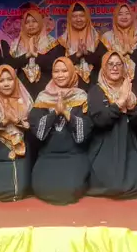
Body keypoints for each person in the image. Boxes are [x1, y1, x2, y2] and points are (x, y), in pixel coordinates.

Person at [87, 51, 137, 199]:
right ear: (104, 68)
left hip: (127, 143)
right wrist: (119, 103)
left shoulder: (129, 89)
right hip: (105, 144)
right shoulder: (96, 91)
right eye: (110, 64)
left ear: (124, 67)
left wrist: (131, 108)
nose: (114, 68)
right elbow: (100, 120)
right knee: (114, 186)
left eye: (118, 64)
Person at [29, 57, 94, 205]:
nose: (60, 75)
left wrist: (66, 112)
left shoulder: (81, 97)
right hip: (48, 155)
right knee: (42, 189)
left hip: (74, 155)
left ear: (72, 72)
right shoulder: (43, 97)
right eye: (56, 71)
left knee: (69, 191)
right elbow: (38, 132)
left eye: (64, 71)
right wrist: (55, 113)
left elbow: (85, 131)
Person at [0, 65, 34, 202]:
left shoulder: (26, 102)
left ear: (16, 80)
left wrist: (18, 122)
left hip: (22, 154)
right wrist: (1, 124)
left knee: (21, 190)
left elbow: (35, 131)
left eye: (10, 79)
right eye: (1, 80)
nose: (6, 83)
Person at [8, 9, 64, 98]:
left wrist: (36, 55)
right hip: (22, 88)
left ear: (40, 23)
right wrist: (27, 55)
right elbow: (10, 64)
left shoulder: (51, 42)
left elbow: (54, 64)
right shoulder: (16, 44)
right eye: (27, 22)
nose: (31, 25)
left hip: (46, 86)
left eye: (34, 21)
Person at [100, 3, 137, 92]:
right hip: (113, 83)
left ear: (132, 16)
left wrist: (131, 51)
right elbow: (102, 61)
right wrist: (122, 53)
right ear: (115, 17)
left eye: (127, 13)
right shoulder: (107, 37)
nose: (124, 17)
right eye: (120, 14)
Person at [57, 2, 105, 91]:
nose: (78, 19)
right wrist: (76, 56)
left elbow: (105, 62)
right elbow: (57, 66)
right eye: (74, 16)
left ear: (87, 18)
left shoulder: (98, 39)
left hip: (96, 86)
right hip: (69, 88)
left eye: (82, 16)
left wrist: (87, 54)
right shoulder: (62, 41)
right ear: (70, 19)